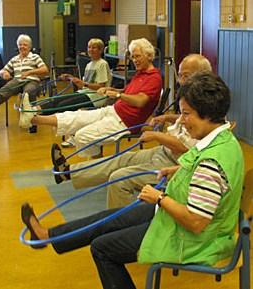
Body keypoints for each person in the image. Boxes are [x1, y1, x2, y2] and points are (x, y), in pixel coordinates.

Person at [21, 71, 244, 289]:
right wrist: (178, 171)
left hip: (191, 238)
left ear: (207, 113)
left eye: (187, 114)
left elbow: (196, 222)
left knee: (102, 248)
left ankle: (50, 237)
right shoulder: (225, 140)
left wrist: (159, 198)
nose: (182, 121)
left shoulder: (211, 164)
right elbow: (207, 181)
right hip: (180, 217)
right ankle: (48, 236)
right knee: (108, 220)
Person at [51, 54, 212, 208]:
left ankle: (117, 229)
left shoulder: (206, 105)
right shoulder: (188, 98)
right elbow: (185, 121)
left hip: (175, 162)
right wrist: (167, 118)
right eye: (180, 76)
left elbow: (186, 147)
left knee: (119, 178)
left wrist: (157, 135)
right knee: (122, 159)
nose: (180, 81)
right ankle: (68, 172)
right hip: (163, 149)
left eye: (186, 76)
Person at [19, 38, 162, 157]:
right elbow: (126, 92)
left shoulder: (154, 78)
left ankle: (98, 169)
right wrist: (111, 90)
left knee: (82, 136)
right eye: (133, 56)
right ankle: (32, 119)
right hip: (114, 111)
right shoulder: (140, 73)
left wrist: (118, 95)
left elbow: (140, 101)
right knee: (77, 116)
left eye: (138, 56)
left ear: (149, 55)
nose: (134, 60)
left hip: (125, 122)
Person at [36, 38, 112, 148]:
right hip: (85, 92)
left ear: (100, 50)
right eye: (89, 47)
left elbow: (101, 86)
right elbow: (83, 84)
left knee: (63, 105)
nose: (91, 49)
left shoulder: (102, 64)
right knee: (57, 100)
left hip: (96, 97)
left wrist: (83, 84)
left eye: (94, 47)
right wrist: (71, 78)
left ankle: (74, 136)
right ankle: (34, 110)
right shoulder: (89, 65)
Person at [0, 34, 49, 133]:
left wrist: (29, 72)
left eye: (25, 45)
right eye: (20, 45)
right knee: (9, 86)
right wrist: (5, 73)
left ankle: (32, 121)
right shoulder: (14, 59)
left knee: (28, 92)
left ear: (29, 47)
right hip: (18, 80)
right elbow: (1, 71)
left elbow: (45, 70)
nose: (22, 47)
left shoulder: (35, 57)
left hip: (31, 80)